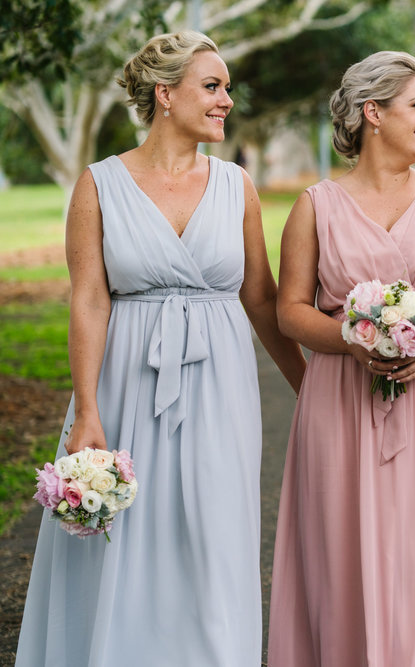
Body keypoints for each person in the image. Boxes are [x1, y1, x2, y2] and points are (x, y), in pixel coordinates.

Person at [15, 30, 306, 666]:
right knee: (124, 534)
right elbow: (89, 299)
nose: (227, 99)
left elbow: (260, 298)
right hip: (124, 382)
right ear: (165, 94)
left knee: (213, 533)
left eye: (227, 87)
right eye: (213, 86)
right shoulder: (99, 186)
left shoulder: (237, 186)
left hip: (220, 387)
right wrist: (87, 410)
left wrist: (308, 385)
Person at [267, 51, 415, 666]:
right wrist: (356, 340)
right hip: (341, 397)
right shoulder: (315, 206)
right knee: (343, 555)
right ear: (373, 112)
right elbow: (291, 310)